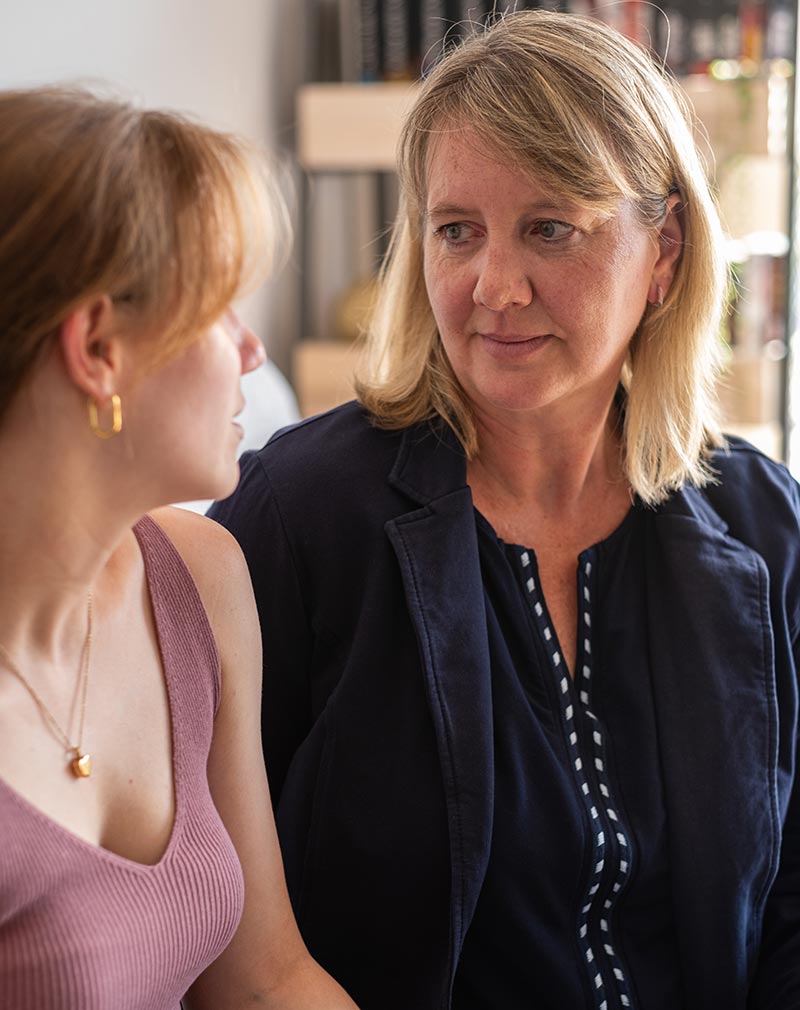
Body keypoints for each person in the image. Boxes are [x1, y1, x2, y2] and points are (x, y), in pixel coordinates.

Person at [210, 10, 800, 1010]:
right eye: (456, 231)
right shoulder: (297, 516)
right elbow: (210, 901)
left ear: (661, 255)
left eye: (548, 228)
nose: (492, 285)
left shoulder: (760, 520)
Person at [0, 86, 359, 1010]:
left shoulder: (200, 575)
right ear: (99, 349)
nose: (251, 352)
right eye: (223, 307)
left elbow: (266, 981)